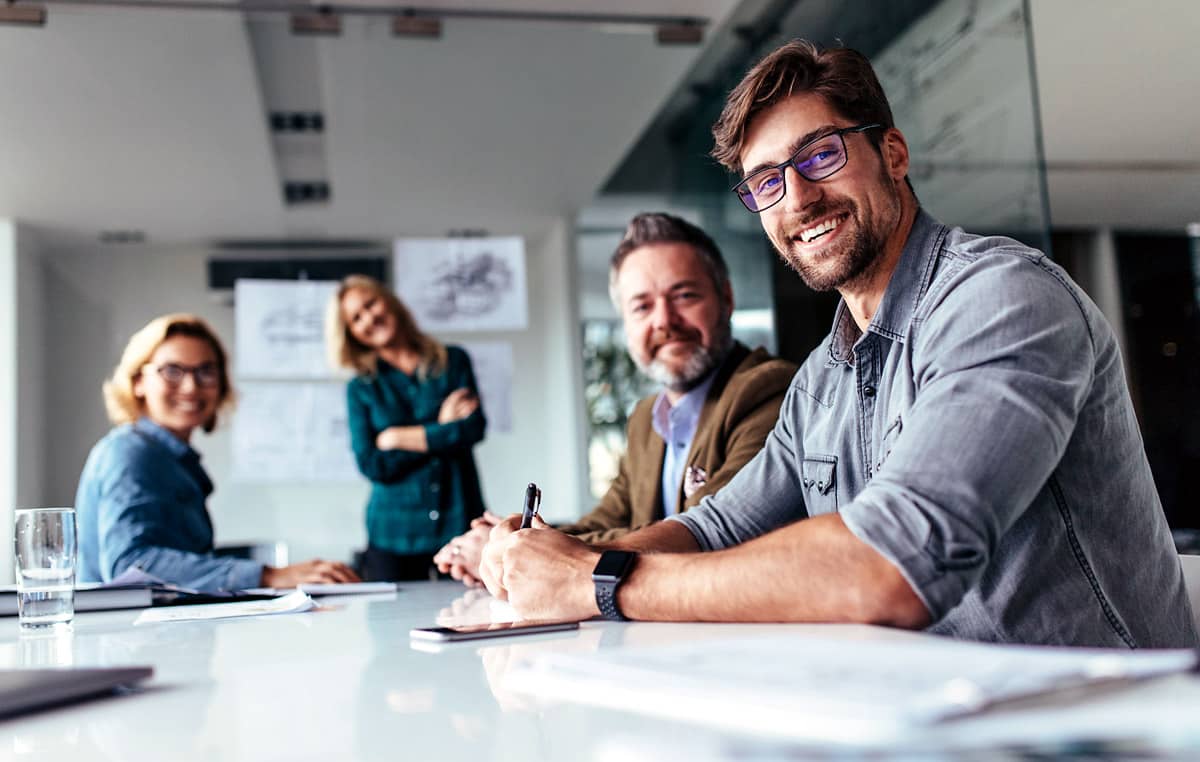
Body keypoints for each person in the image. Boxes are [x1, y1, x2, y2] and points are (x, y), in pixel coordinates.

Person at [479, 40, 1198, 648]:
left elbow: (892, 565)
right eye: (765, 182)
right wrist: (560, 559)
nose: (796, 199)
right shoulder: (823, 376)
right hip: (939, 716)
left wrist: (598, 582)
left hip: (1109, 726)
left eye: (819, 156)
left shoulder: (1001, 299)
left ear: (892, 152)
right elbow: (716, 525)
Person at [434, 213, 796, 586]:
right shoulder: (646, 418)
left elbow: (707, 530)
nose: (663, 321)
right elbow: (608, 520)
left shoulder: (766, 390)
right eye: (642, 306)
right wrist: (517, 541)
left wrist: (516, 551)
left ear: (727, 298)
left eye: (684, 295)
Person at [76, 313, 360, 592]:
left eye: (206, 372)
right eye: (172, 371)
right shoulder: (131, 453)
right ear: (138, 381)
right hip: (124, 636)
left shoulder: (172, 459)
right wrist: (267, 576)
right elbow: (130, 565)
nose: (191, 386)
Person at [329, 274, 487, 581]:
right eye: (356, 318)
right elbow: (373, 464)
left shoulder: (453, 361)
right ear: (351, 333)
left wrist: (398, 437)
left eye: (370, 304)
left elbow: (472, 429)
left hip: (459, 521)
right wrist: (441, 427)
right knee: (389, 626)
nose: (368, 318)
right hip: (392, 535)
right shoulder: (361, 387)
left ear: (389, 301)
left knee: (472, 617)